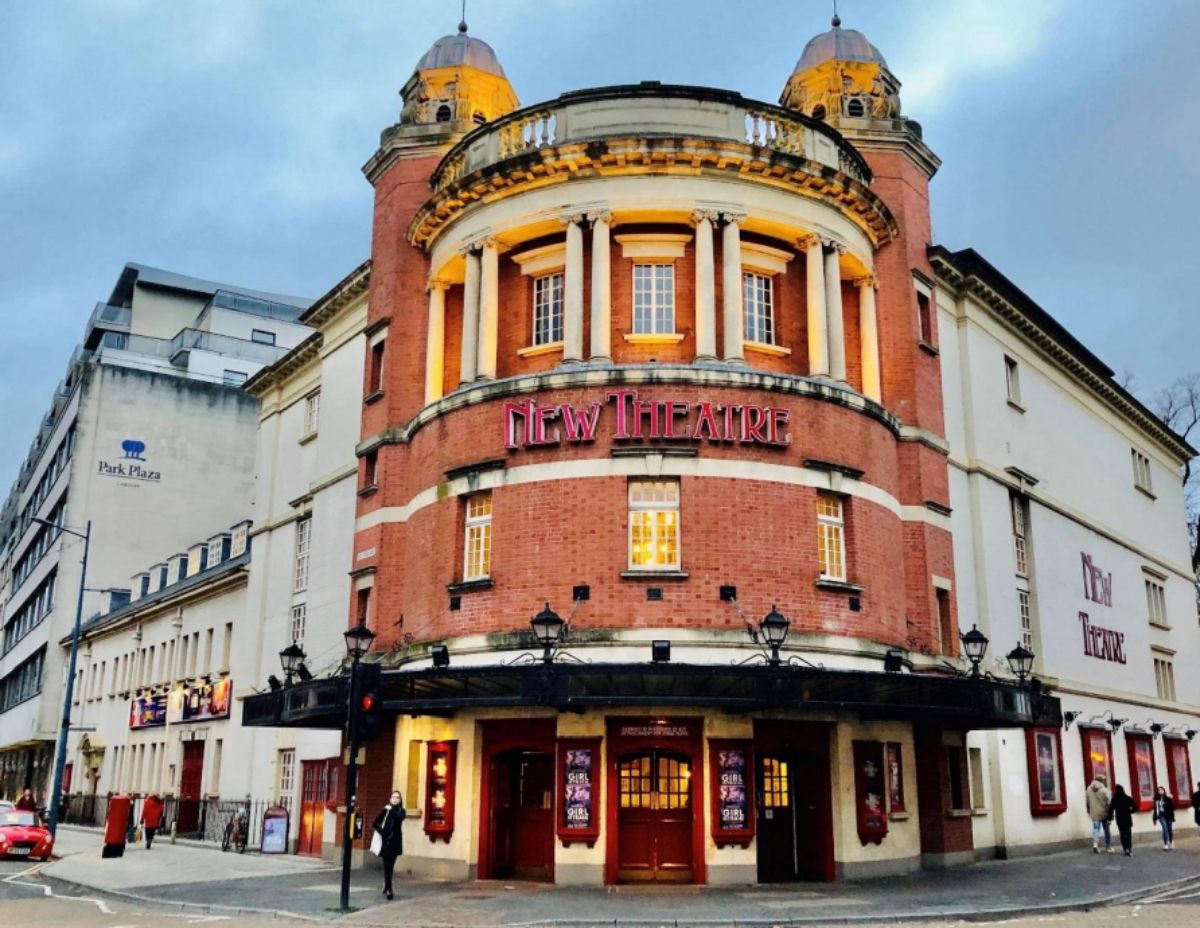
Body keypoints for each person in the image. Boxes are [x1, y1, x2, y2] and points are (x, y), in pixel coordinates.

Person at [372, 791, 406, 901]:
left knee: (391, 866)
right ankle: (389, 889)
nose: (395, 799)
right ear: (390, 799)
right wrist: (383, 832)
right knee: (387, 866)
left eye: (397, 797)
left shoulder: (401, 811)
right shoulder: (386, 810)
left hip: (395, 842)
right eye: (393, 797)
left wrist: (391, 810)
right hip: (386, 842)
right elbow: (375, 823)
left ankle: (386, 885)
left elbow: (399, 818)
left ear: (400, 800)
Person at [1085, 774, 1113, 853]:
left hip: (1094, 812)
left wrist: (1089, 810)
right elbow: (1109, 801)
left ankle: (1095, 844)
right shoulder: (1104, 790)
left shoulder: (1088, 788)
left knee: (1096, 829)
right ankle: (1108, 847)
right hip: (1104, 813)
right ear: (1102, 781)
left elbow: (1087, 800)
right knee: (1107, 829)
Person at [1111, 784, 1136, 856]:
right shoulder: (1128, 798)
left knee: (1122, 834)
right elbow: (1135, 807)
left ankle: (1125, 848)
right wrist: (1131, 811)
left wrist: (1110, 817)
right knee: (1128, 834)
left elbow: (1111, 809)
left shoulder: (1115, 799)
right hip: (1127, 817)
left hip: (1119, 818)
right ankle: (1129, 847)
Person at [1152, 785, 1175, 850]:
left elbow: (1173, 808)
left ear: (1164, 791)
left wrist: (1170, 800)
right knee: (1165, 829)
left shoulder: (1168, 798)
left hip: (1168, 815)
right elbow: (1155, 810)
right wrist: (1154, 819)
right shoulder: (1156, 799)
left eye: (1162, 790)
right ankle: (1166, 844)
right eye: (1159, 790)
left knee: (1169, 829)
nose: (1160, 791)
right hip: (1161, 816)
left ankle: (1171, 841)